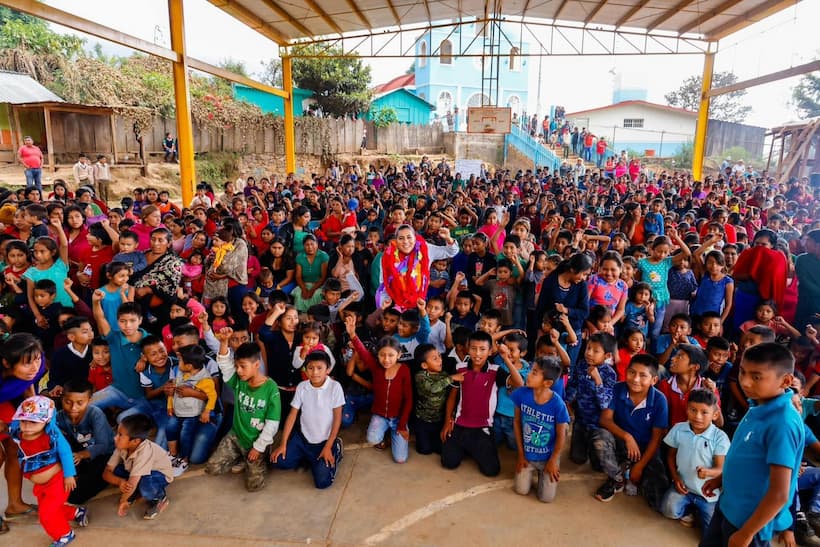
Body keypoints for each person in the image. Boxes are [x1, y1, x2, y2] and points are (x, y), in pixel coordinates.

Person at [701, 343, 804, 546]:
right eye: (742, 372)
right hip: (729, 506)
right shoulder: (758, 403)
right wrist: (722, 478)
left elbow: (780, 493)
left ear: (785, 381)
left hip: (749, 523)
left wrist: (747, 533)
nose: (745, 382)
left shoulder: (782, 423)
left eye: (756, 376)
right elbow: (748, 458)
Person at [206, 330, 281, 492]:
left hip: (256, 441)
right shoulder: (239, 381)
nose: (238, 371)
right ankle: (240, 456)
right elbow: (224, 364)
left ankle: (261, 456)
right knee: (212, 468)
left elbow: (273, 424)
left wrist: (259, 447)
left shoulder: (271, 388)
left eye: (243, 367)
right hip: (236, 436)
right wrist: (224, 342)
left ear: (256, 364)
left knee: (254, 487)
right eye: (237, 366)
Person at [440, 330, 523, 477]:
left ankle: (473, 447)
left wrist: (506, 359)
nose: (477, 353)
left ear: (490, 351)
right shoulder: (460, 368)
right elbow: (452, 397)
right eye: (473, 348)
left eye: (482, 349)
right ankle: (467, 446)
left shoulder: (495, 371)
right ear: (467, 348)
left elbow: (519, 383)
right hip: (460, 425)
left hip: (482, 427)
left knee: (491, 471)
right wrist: (447, 421)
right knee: (448, 462)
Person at [593, 354, 669, 511]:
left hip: (646, 449)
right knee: (600, 437)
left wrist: (640, 466)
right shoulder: (617, 388)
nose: (635, 379)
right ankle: (617, 478)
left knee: (658, 502)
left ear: (654, 380)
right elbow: (605, 420)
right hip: (621, 442)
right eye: (632, 372)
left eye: (643, 375)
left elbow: (656, 438)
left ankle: (631, 470)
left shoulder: (660, 400)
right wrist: (627, 437)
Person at [8, 395, 86, 546]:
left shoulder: (52, 435)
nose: (27, 426)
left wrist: (70, 475)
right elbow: (9, 425)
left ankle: (64, 534)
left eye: (33, 422)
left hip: (57, 482)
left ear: (47, 421)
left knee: (46, 515)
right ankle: (76, 512)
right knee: (49, 508)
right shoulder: (18, 431)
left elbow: (66, 452)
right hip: (41, 485)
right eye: (23, 420)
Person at [271, 350, 345, 489]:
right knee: (278, 461)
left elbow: (337, 419)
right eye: (310, 368)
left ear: (327, 370)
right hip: (303, 439)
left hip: (324, 441)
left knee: (322, 482)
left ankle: (336, 448)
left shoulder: (335, 387)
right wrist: (283, 444)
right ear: (305, 370)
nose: (315, 372)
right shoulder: (302, 387)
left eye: (319, 368)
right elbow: (292, 415)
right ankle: (307, 457)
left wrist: (328, 446)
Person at [661, 388, 730, 533]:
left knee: (710, 532)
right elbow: (670, 456)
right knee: (668, 510)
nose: (697, 416)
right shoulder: (679, 429)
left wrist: (709, 472)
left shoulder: (719, 437)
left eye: (704, 412)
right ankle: (689, 511)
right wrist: (675, 477)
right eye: (693, 410)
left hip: (708, 494)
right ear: (687, 409)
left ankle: (699, 510)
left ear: (715, 414)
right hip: (684, 487)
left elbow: (721, 468)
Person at [511, 356, 570, 503]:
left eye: (534, 373)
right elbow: (517, 422)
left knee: (546, 498)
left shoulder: (558, 404)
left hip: (548, 456)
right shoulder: (521, 394)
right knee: (521, 490)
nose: (528, 375)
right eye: (531, 370)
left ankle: (547, 471)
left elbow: (561, 436)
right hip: (528, 454)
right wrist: (521, 454)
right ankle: (531, 470)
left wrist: (553, 461)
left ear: (547, 383)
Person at [102, 413, 173, 520]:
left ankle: (159, 497)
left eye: (120, 435)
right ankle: (135, 491)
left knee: (146, 488)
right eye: (117, 433)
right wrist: (120, 482)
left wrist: (123, 500)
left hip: (158, 475)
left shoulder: (144, 453)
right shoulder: (121, 446)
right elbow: (107, 472)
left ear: (135, 441)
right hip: (137, 472)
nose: (115, 438)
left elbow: (132, 482)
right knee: (117, 471)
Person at [56, 380, 114, 505]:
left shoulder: (95, 414)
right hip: (80, 453)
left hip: (104, 455)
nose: (73, 408)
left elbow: (103, 446)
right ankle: (80, 472)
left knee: (75, 496)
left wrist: (81, 455)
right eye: (68, 402)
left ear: (89, 400)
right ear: (62, 399)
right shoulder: (59, 416)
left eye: (80, 403)